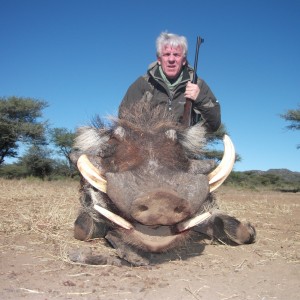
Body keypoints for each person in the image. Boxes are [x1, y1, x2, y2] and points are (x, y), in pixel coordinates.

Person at [119, 32, 221, 132]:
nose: (171, 59)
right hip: (149, 145)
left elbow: (215, 124)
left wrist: (200, 98)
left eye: (176, 55)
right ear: (159, 59)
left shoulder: (198, 84)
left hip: (185, 146)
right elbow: (123, 118)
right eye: (167, 54)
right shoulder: (143, 83)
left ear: (184, 60)